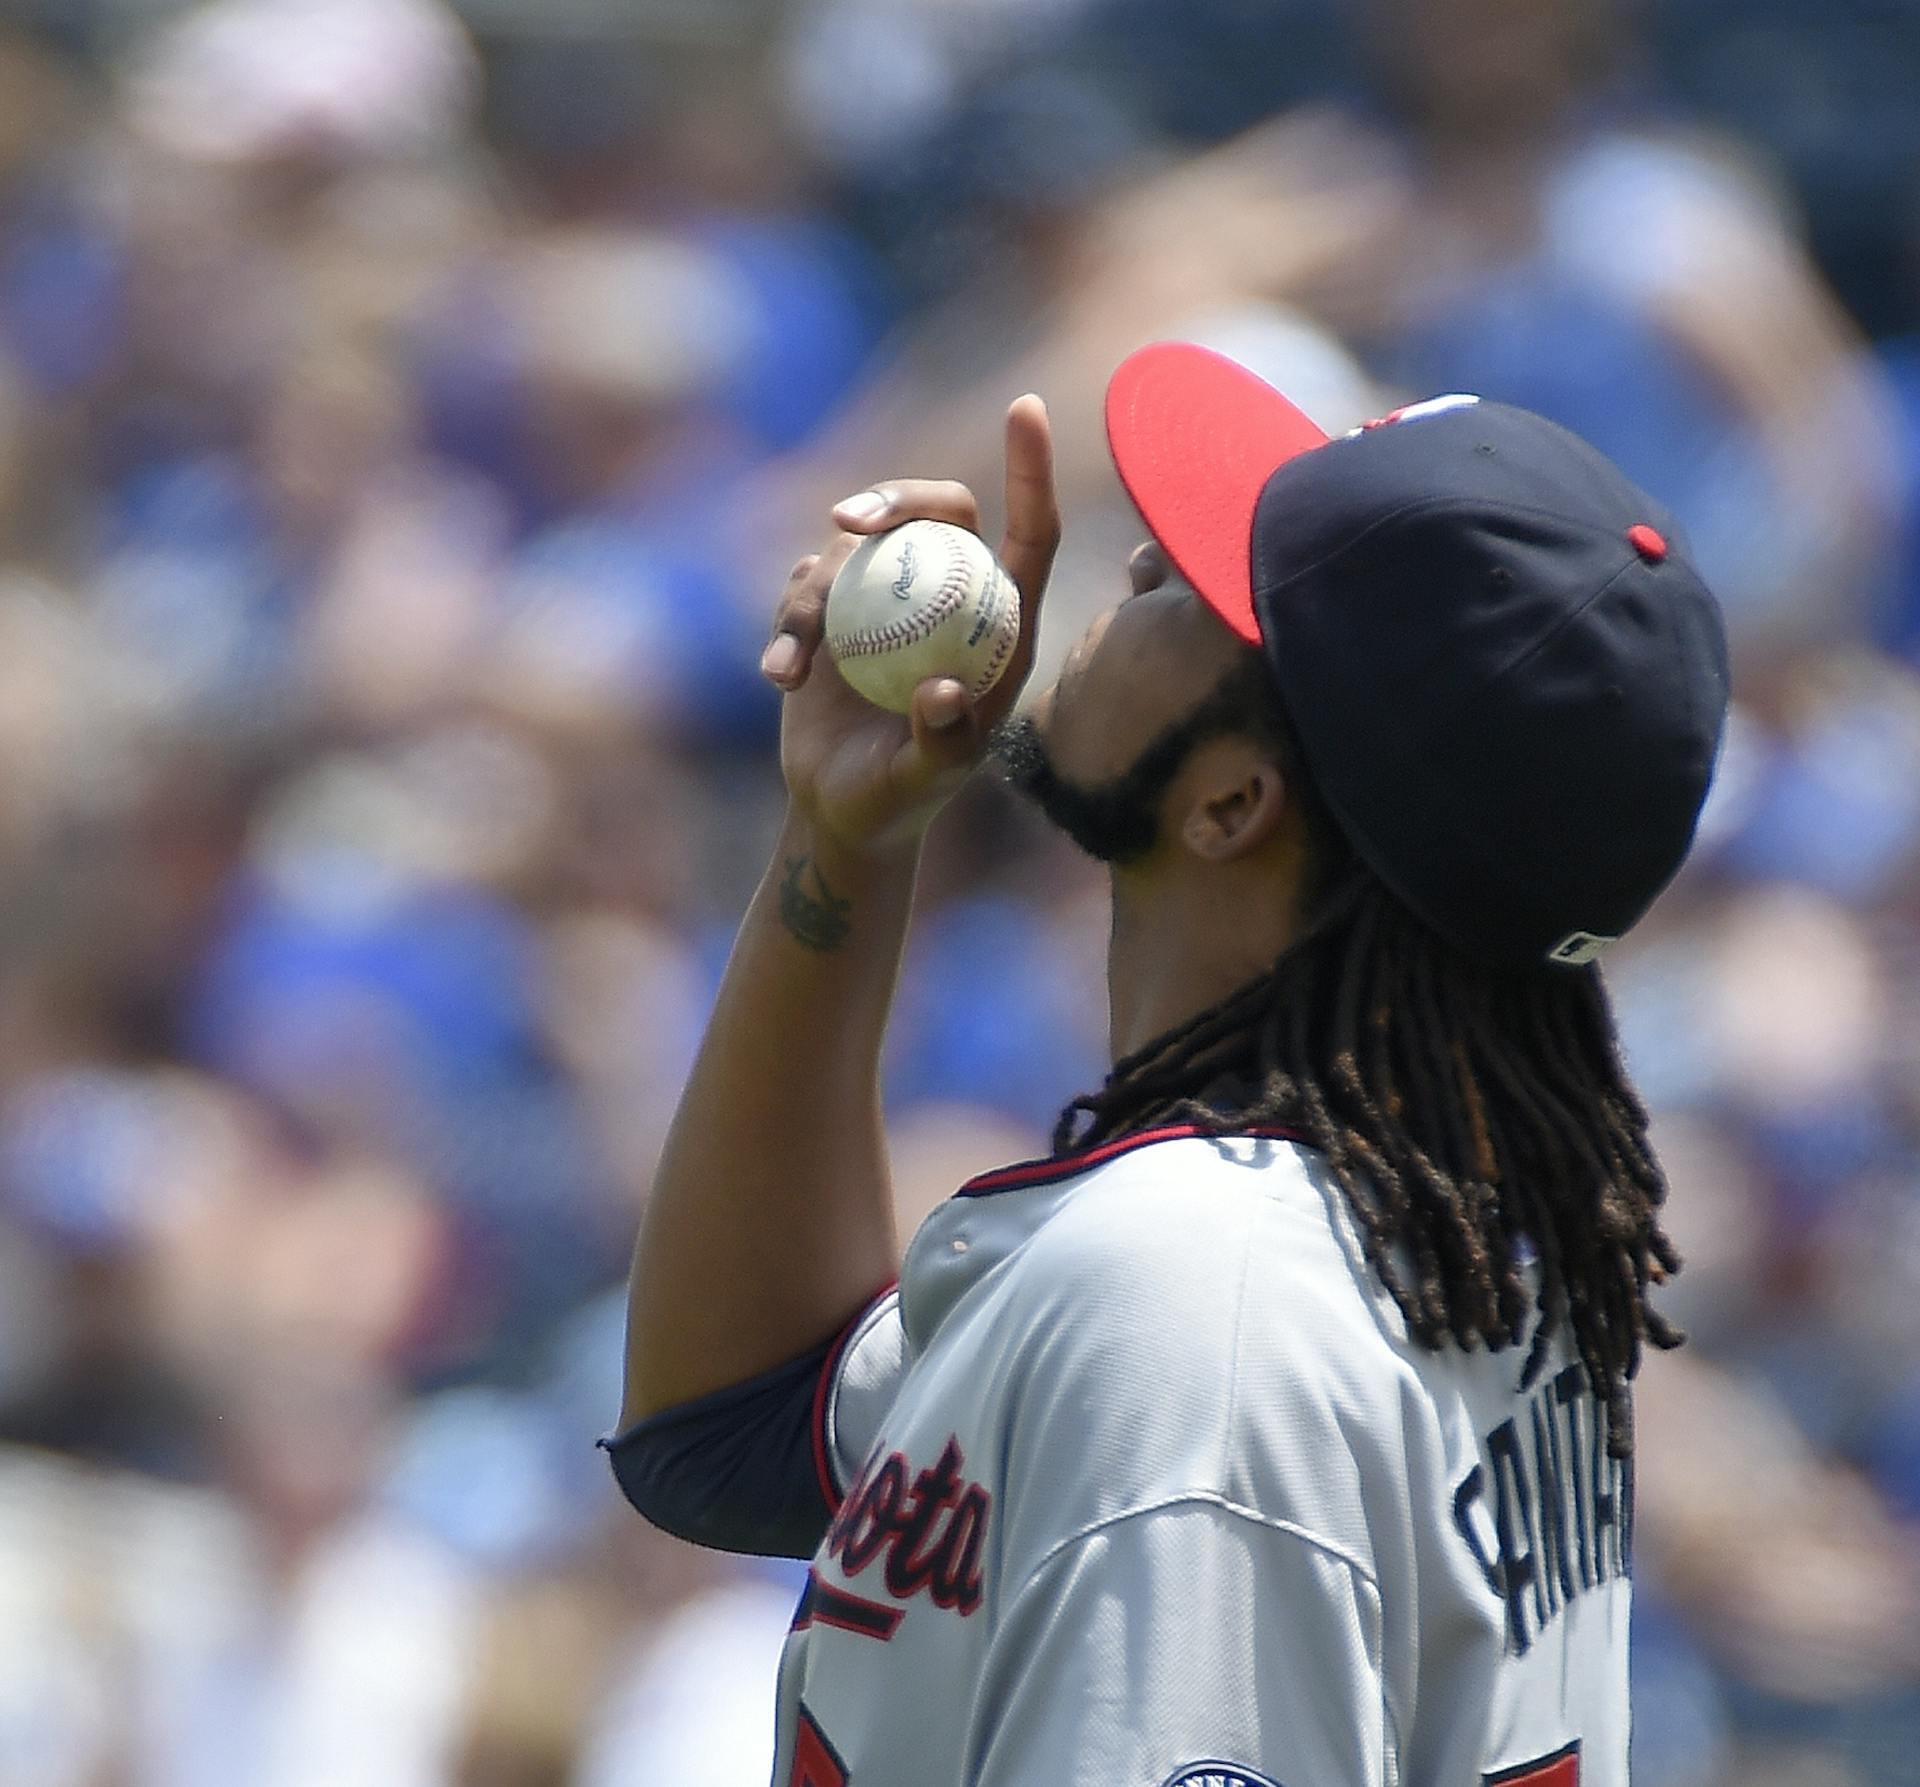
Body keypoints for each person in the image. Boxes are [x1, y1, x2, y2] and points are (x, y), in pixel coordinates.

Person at [607, 342, 1729, 1784]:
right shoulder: (1404, 1245)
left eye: (1201, 584)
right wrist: (850, 846)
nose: (1136, 559)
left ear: (1232, 801)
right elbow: (729, 1429)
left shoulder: (1202, 1305)